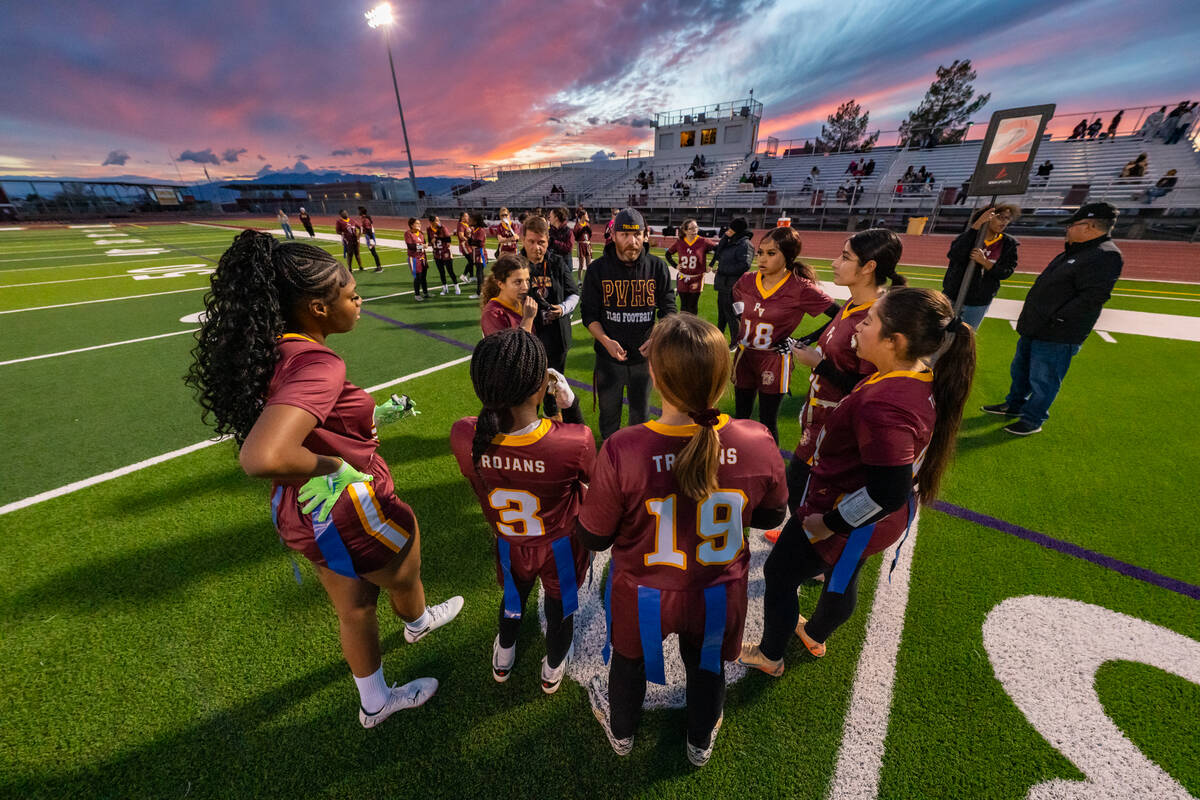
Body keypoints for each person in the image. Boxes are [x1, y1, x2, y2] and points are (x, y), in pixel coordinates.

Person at [184, 230, 463, 729]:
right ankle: (418, 624)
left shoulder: (275, 348)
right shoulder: (319, 362)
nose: (359, 303)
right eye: (351, 296)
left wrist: (375, 418)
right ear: (316, 307)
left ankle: (374, 701)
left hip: (302, 510)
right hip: (346, 504)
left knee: (354, 606)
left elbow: (317, 423)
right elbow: (264, 454)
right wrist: (336, 466)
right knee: (405, 563)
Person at [578, 313, 787, 766]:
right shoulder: (756, 438)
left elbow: (594, 537)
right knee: (707, 665)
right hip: (718, 589)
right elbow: (771, 514)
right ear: (724, 376)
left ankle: (622, 734)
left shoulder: (623, 448)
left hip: (645, 592)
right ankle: (699, 743)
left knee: (628, 663)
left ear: (655, 374)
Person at [740, 287, 976, 674]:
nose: (858, 328)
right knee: (843, 573)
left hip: (849, 514)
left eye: (869, 322)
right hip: (871, 516)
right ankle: (814, 633)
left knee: (780, 573)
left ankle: (770, 655)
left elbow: (887, 490)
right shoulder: (914, 376)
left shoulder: (885, 403)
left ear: (894, 341)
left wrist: (828, 522)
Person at [450, 328, 594, 691]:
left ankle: (504, 654)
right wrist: (570, 405)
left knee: (513, 602)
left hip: (509, 542)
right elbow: (589, 468)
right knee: (561, 613)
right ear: (539, 387)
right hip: (559, 545)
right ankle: (552, 669)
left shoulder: (464, 435)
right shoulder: (572, 440)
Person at [772, 229, 904, 544]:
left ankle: (816, 557)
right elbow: (834, 331)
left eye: (845, 257)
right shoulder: (853, 305)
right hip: (817, 422)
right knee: (799, 492)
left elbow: (868, 390)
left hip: (835, 431)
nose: (834, 263)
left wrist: (819, 364)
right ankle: (806, 540)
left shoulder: (876, 322)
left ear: (869, 268)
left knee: (811, 497)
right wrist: (807, 343)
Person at [982, 203, 1123, 436]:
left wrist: (1056, 320)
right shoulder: (1076, 250)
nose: (1067, 229)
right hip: (1036, 326)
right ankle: (1015, 404)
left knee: (1043, 378)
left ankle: (1032, 419)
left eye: (1072, 225)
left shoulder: (1105, 255)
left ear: (1088, 226)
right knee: (1021, 370)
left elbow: (1092, 297)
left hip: (1057, 333)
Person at [731, 227, 838, 443]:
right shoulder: (747, 279)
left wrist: (804, 341)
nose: (762, 258)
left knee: (767, 421)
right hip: (745, 356)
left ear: (788, 256)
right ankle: (741, 461)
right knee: (740, 417)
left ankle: (770, 469)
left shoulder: (800, 288)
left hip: (773, 360)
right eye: (760, 252)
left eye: (771, 253)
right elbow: (733, 299)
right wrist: (740, 322)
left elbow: (839, 315)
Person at [581, 207, 676, 440]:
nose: (631, 241)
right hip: (608, 359)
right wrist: (605, 341)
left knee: (640, 418)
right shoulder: (597, 269)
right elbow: (589, 315)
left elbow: (669, 311)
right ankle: (610, 460)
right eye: (624, 234)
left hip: (643, 359)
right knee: (608, 417)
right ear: (613, 236)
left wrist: (656, 338)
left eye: (637, 234)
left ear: (645, 235)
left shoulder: (657, 267)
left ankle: (635, 464)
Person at [520, 214, 579, 417]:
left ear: (548, 241)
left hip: (556, 335)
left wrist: (562, 308)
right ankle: (528, 422)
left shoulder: (557, 262)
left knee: (554, 381)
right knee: (529, 384)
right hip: (529, 336)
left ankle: (553, 417)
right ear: (523, 240)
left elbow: (574, 292)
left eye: (542, 243)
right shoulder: (515, 264)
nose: (537, 248)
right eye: (532, 242)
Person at [941, 204, 1020, 331]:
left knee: (965, 337)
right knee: (939, 334)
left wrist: (984, 262)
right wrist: (976, 226)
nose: (1004, 222)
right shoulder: (969, 237)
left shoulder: (1008, 244)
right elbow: (954, 255)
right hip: (953, 295)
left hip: (978, 302)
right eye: (1000, 217)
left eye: (1007, 218)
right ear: (987, 217)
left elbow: (1005, 272)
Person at [710, 217, 754, 349]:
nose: (727, 231)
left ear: (737, 230)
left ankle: (735, 342)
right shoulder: (729, 242)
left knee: (732, 315)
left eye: (730, 229)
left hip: (733, 286)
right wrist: (724, 239)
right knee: (722, 314)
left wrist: (722, 269)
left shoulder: (745, 245)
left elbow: (744, 265)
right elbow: (718, 253)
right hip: (723, 284)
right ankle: (718, 338)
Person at [664, 218, 717, 316]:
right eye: (691, 228)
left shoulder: (703, 241)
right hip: (682, 277)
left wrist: (711, 264)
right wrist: (675, 265)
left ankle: (692, 328)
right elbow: (668, 254)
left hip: (697, 278)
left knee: (692, 306)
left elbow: (718, 249)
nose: (695, 230)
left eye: (696, 227)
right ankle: (684, 327)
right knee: (683, 306)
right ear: (685, 230)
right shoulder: (680, 242)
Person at [480, 253, 538, 336]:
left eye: (527, 280)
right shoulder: (493, 314)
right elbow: (508, 348)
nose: (525, 287)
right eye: (518, 282)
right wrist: (528, 319)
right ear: (501, 284)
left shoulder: (522, 302)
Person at [426, 214, 460, 295]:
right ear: (431, 222)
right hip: (436, 253)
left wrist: (438, 237)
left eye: (438, 220)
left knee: (450, 271)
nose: (438, 222)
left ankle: (456, 286)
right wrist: (431, 242)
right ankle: (445, 288)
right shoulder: (429, 229)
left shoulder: (443, 228)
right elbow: (430, 241)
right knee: (441, 272)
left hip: (445, 252)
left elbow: (448, 240)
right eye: (436, 220)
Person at [403, 218, 430, 302]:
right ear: (411, 225)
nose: (419, 225)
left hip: (422, 257)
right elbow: (410, 246)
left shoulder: (421, 233)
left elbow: (425, 243)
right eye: (417, 223)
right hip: (414, 258)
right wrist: (422, 246)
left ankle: (425, 293)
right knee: (418, 277)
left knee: (424, 276)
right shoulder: (408, 233)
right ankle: (417, 294)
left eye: (420, 223)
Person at [468, 211, 490, 299]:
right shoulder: (475, 230)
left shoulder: (480, 230)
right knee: (480, 273)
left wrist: (472, 242)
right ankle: (484, 290)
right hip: (476, 253)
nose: (469, 220)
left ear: (475, 221)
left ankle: (479, 292)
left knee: (479, 273)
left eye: (471, 219)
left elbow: (479, 243)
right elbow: (470, 242)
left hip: (480, 253)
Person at [457, 211, 476, 287]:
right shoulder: (460, 225)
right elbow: (461, 236)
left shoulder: (467, 224)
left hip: (469, 245)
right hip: (465, 245)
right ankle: (464, 275)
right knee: (471, 260)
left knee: (471, 261)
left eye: (468, 216)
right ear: (462, 217)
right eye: (466, 216)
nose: (467, 217)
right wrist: (468, 240)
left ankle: (471, 277)